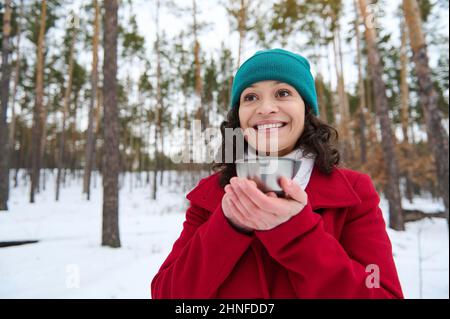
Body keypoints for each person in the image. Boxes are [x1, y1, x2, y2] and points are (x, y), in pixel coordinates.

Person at [151, 48, 404, 299]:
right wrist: (228, 225)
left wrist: (296, 232)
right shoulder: (210, 196)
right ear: (238, 117)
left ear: (306, 110)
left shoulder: (354, 193)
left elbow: (381, 293)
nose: (265, 108)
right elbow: (166, 294)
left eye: (283, 93)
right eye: (250, 97)